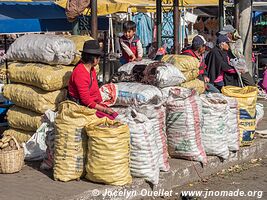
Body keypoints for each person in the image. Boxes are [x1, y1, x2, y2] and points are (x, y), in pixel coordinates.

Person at [68, 40, 118, 120]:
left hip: (91, 103)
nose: (99, 60)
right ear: (94, 58)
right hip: (81, 104)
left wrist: (101, 103)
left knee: (114, 115)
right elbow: (85, 100)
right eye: (98, 57)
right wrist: (103, 109)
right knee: (108, 119)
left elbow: (95, 88)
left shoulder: (91, 69)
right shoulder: (80, 73)